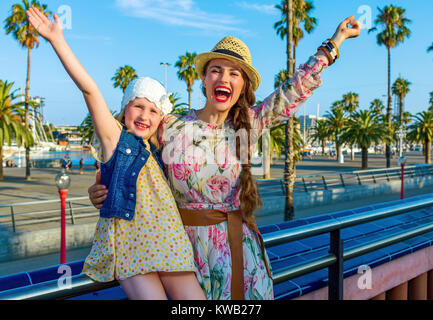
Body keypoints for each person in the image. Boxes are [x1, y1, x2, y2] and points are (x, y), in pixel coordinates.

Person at [88, 16, 362, 299]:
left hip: (239, 255)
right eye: (216, 70)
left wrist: (335, 41)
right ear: (205, 80)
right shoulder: (170, 126)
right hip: (180, 255)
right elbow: (126, 154)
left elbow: (294, 89)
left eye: (235, 73)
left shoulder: (250, 123)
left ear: (243, 85)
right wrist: (103, 191)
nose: (224, 78)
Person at [26, 7, 205, 300]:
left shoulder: (159, 154)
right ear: (123, 111)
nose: (145, 115)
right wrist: (57, 40)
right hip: (133, 246)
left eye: (153, 110)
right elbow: (90, 91)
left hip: (171, 245)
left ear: (161, 118)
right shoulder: (116, 141)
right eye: (138, 106)